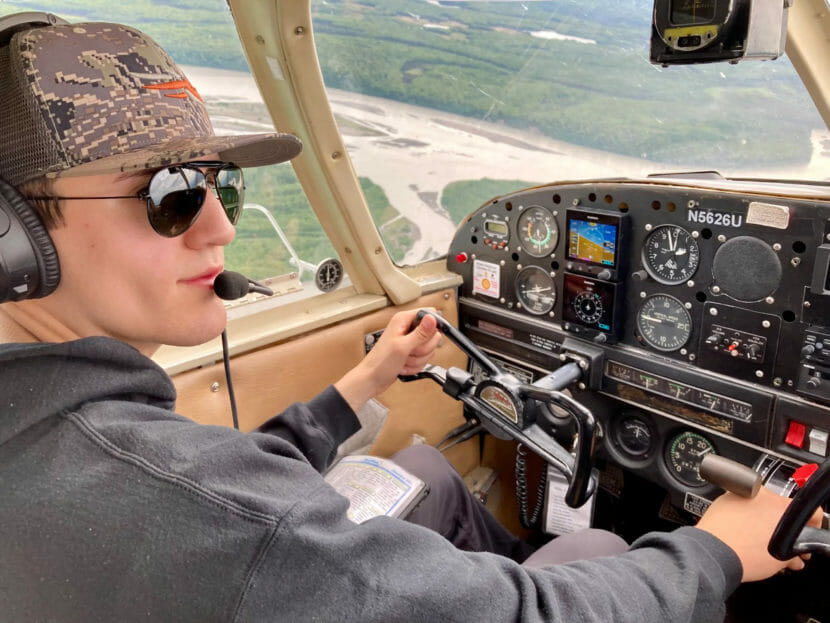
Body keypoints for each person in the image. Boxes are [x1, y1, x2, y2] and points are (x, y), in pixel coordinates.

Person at [0, 14, 819, 623]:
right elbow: (530, 614)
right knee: (598, 551)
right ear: (12, 236)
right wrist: (718, 550)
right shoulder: (172, 494)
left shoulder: (74, 452)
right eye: (172, 193)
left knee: (425, 472)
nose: (220, 227)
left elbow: (229, 491)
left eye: (224, 186)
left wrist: (364, 380)